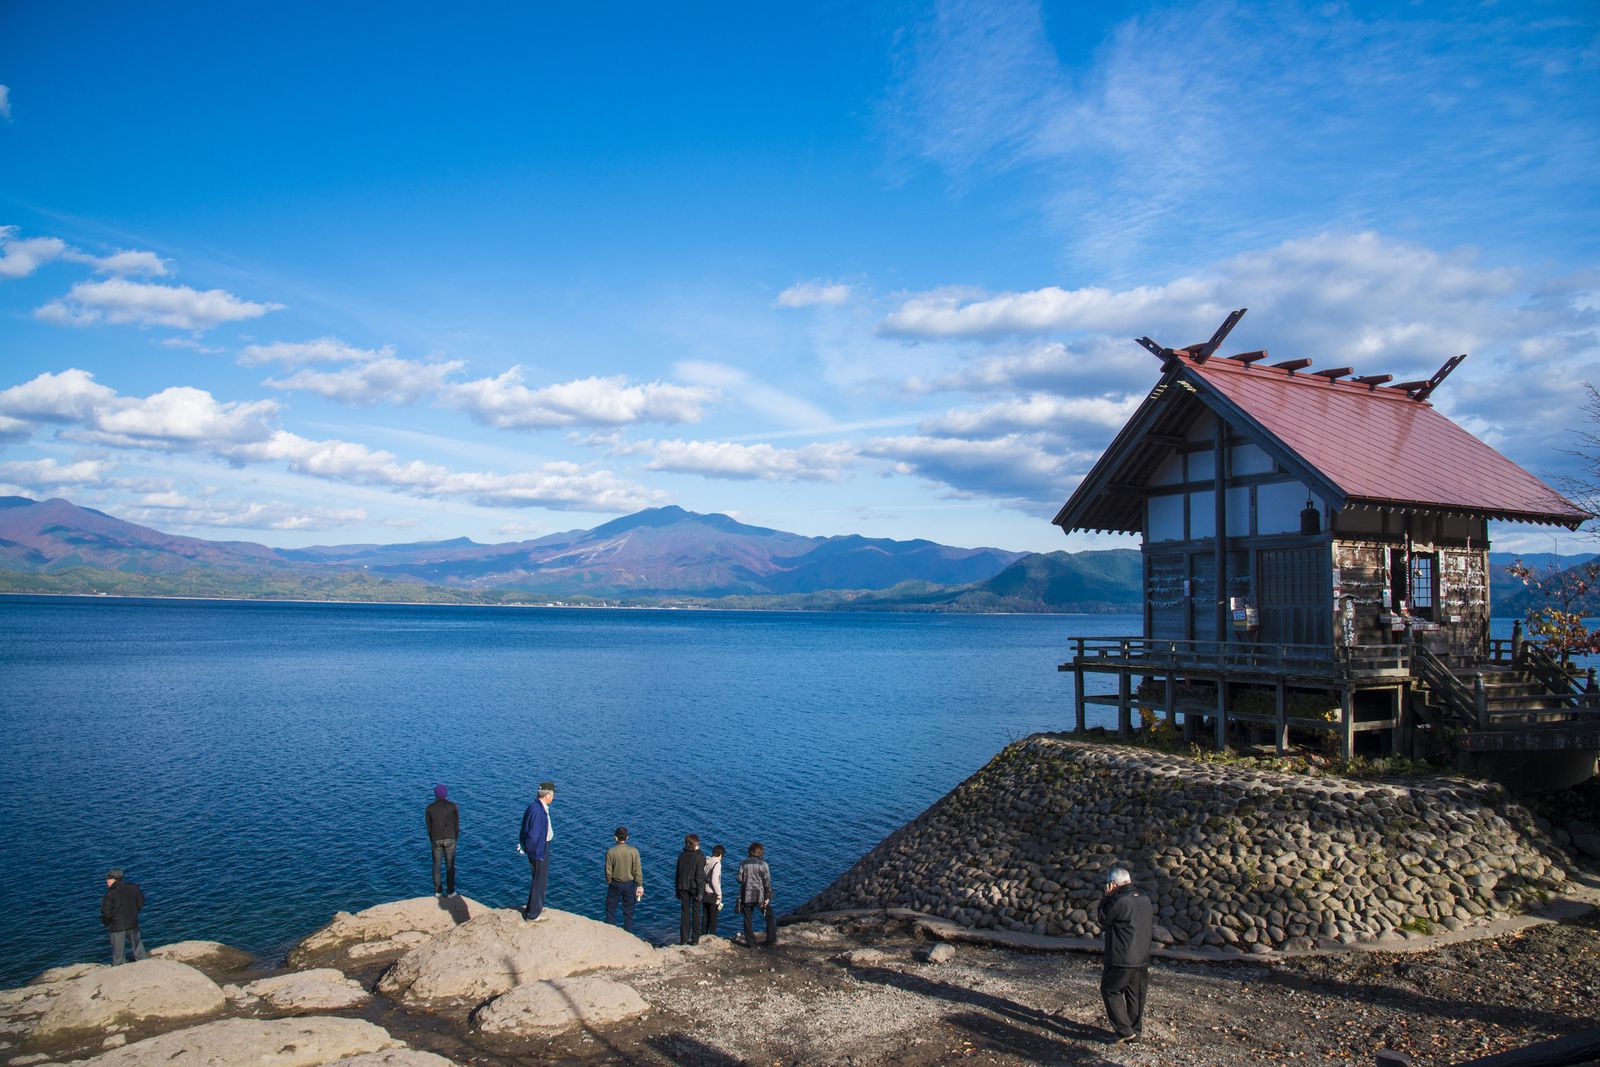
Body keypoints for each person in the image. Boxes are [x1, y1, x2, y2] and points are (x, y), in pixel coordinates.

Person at [1098, 865, 1153, 1044]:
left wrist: (1106, 898)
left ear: (1113, 884)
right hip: (1142, 957)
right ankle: (1135, 1032)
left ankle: (1124, 1029)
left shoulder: (1119, 901)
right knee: (1136, 995)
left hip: (1121, 957)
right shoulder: (1145, 899)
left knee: (1110, 990)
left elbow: (1103, 919)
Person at [518, 781, 555, 922]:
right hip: (539, 850)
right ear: (547, 795)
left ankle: (534, 907)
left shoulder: (534, 807)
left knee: (538, 880)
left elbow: (525, 828)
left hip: (539, 848)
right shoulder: (538, 811)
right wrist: (532, 850)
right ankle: (533, 914)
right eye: (552, 794)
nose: (553, 797)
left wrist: (524, 844)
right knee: (540, 881)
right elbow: (533, 836)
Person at [101, 868, 147, 965]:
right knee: (138, 947)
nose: (107, 881)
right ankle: (144, 964)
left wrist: (107, 922)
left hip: (117, 926)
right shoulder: (133, 887)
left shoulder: (109, 893)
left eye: (109, 879)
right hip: (133, 923)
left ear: (114, 879)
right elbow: (141, 902)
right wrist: (134, 913)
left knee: (118, 954)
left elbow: (106, 912)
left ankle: (119, 970)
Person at [604, 826, 644, 931]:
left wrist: (609, 881)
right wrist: (639, 885)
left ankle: (610, 930)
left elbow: (608, 870)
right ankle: (628, 932)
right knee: (628, 911)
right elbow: (637, 870)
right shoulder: (634, 851)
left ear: (615, 838)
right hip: (629, 884)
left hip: (615, 883)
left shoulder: (611, 851)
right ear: (627, 838)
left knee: (611, 909)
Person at [736, 841, 776, 948]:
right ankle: (771, 939)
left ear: (750, 852)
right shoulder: (764, 865)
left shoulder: (743, 864)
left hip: (746, 895)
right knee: (769, 916)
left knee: (747, 919)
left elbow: (739, 879)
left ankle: (751, 942)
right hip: (760, 896)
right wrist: (768, 896)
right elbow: (767, 882)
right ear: (761, 853)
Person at [426, 783, 459, 897]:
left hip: (436, 839)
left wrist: (432, 839)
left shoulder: (430, 808)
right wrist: (455, 838)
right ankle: (450, 891)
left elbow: (428, 827)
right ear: (445, 794)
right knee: (450, 866)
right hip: (450, 839)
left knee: (436, 865)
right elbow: (456, 825)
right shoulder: (452, 806)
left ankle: (438, 891)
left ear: (435, 794)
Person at [674, 834, 706, 945]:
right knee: (696, 913)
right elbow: (700, 876)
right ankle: (695, 939)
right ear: (694, 845)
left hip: (682, 886)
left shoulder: (681, 856)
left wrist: (677, 890)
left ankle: (683, 939)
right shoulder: (700, 857)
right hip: (695, 887)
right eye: (697, 844)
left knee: (684, 913)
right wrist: (701, 892)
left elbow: (678, 874)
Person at [702, 844, 725, 937]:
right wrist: (719, 895)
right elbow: (714, 880)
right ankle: (712, 937)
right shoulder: (717, 864)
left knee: (705, 916)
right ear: (721, 855)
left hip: (704, 891)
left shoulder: (707, 861)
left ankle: (702, 935)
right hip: (712, 894)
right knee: (713, 917)